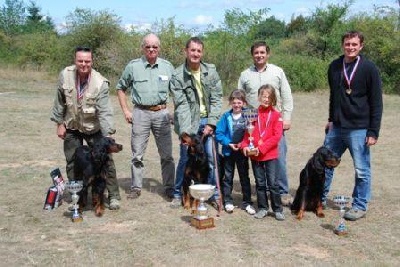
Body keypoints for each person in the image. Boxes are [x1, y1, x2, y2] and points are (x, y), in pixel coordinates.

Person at [50, 46, 121, 210]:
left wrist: (107, 134)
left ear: (92, 61)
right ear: (75, 61)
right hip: (72, 126)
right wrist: (59, 124)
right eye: (80, 61)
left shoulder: (100, 83)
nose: (84, 64)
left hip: (93, 128)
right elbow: (59, 101)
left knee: (106, 162)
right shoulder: (65, 75)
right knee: (73, 162)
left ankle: (114, 197)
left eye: (87, 61)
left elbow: (105, 111)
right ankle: (78, 197)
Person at [322, 30, 383, 221]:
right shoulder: (334, 66)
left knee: (361, 170)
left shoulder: (369, 68)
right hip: (337, 127)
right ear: (343, 45)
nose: (350, 47)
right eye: (347, 44)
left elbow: (376, 102)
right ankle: (319, 198)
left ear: (361, 46)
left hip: (359, 128)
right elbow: (334, 96)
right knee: (325, 164)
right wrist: (331, 119)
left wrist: (373, 131)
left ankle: (359, 205)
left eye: (354, 44)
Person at [116, 33, 175, 199]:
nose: (151, 49)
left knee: (167, 155)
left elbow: (177, 91)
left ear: (159, 48)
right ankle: (136, 187)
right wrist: (126, 111)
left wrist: (175, 112)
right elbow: (120, 88)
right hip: (140, 113)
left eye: (154, 46)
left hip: (162, 114)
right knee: (137, 154)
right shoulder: (133, 66)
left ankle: (170, 187)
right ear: (143, 48)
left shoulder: (167, 67)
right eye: (148, 46)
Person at [169, 37, 223, 208]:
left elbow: (216, 99)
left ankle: (212, 194)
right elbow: (182, 105)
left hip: (208, 120)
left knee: (211, 160)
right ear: (186, 51)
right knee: (185, 159)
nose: (195, 54)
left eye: (198, 51)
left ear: (202, 53)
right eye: (192, 50)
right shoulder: (177, 76)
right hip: (189, 123)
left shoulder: (211, 71)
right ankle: (178, 194)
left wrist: (212, 123)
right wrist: (186, 134)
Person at [238, 41, 294, 206]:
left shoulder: (278, 71)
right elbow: (240, 98)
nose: (259, 55)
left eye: (262, 52)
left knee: (279, 157)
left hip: (274, 121)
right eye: (256, 52)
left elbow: (286, 95)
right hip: (254, 123)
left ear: (267, 54)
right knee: (257, 156)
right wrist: (244, 120)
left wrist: (287, 117)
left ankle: (282, 191)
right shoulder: (244, 75)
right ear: (252, 55)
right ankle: (263, 189)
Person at [240, 84, 285, 221]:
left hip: (270, 155)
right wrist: (245, 146)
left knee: (273, 183)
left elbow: (276, 136)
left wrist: (262, 147)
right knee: (259, 183)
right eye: (263, 96)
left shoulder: (277, 115)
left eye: (269, 97)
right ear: (259, 97)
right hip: (255, 156)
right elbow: (247, 135)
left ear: (273, 100)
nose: (266, 99)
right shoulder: (252, 114)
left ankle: (277, 209)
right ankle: (263, 208)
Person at [215, 89, 255, 215]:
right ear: (230, 103)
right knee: (228, 177)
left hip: (243, 152)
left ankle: (247, 202)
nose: (237, 105)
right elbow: (219, 133)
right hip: (229, 151)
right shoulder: (226, 117)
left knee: (244, 177)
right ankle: (228, 201)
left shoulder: (249, 115)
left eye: (239, 102)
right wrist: (228, 143)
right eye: (234, 102)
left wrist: (246, 145)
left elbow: (253, 132)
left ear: (244, 103)